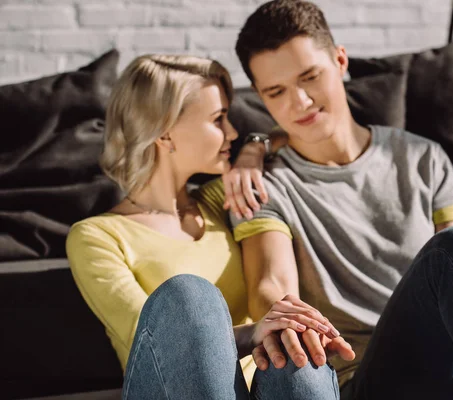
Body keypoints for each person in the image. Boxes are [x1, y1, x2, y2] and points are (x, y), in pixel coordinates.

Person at [228, 1, 453, 399]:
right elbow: (272, 283)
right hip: (375, 380)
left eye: (309, 77)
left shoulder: (423, 157)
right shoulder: (262, 184)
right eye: (276, 91)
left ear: (340, 61)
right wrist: (282, 318)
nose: (299, 102)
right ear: (262, 100)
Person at [65, 54, 355, 400]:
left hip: (261, 386)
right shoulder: (96, 237)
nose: (232, 132)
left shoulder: (223, 198)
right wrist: (255, 332)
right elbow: (154, 339)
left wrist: (253, 149)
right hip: (168, 387)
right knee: (190, 295)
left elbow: (290, 134)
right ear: (165, 130)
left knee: (296, 356)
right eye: (219, 119)